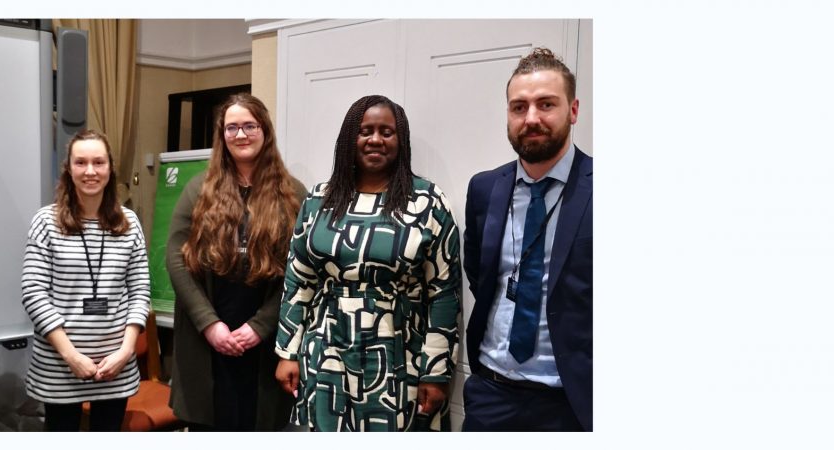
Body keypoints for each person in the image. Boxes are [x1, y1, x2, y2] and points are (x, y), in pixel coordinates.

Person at [273, 95, 462, 431]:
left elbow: (444, 293)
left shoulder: (428, 202)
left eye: (387, 132)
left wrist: (436, 371)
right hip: (325, 349)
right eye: (366, 131)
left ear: (400, 140)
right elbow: (298, 280)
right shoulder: (319, 200)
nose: (376, 139)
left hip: (399, 353)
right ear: (350, 139)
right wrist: (288, 352)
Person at [461, 47, 592, 431]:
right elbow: (480, 275)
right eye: (519, 107)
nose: (531, 118)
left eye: (545, 104)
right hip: (492, 393)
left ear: (573, 110)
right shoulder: (485, 188)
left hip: (571, 403)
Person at [167, 93, 303, 431]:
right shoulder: (198, 189)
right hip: (208, 338)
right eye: (232, 128)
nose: (240, 135)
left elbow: (302, 272)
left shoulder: (294, 194)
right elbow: (176, 257)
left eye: (249, 126)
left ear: (265, 131)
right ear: (222, 135)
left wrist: (260, 326)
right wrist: (209, 324)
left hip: (266, 342)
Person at [21, 130, 151, 432]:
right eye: (81, 163)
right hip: (59, 365)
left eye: (98, 162)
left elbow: (140, 291)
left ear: (110, 168)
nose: (90, 171)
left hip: (115, 365)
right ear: (69, 169)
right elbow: (34, 293)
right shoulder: (46, 222)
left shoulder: (129, 223)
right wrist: (71, 356)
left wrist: (126, 350)